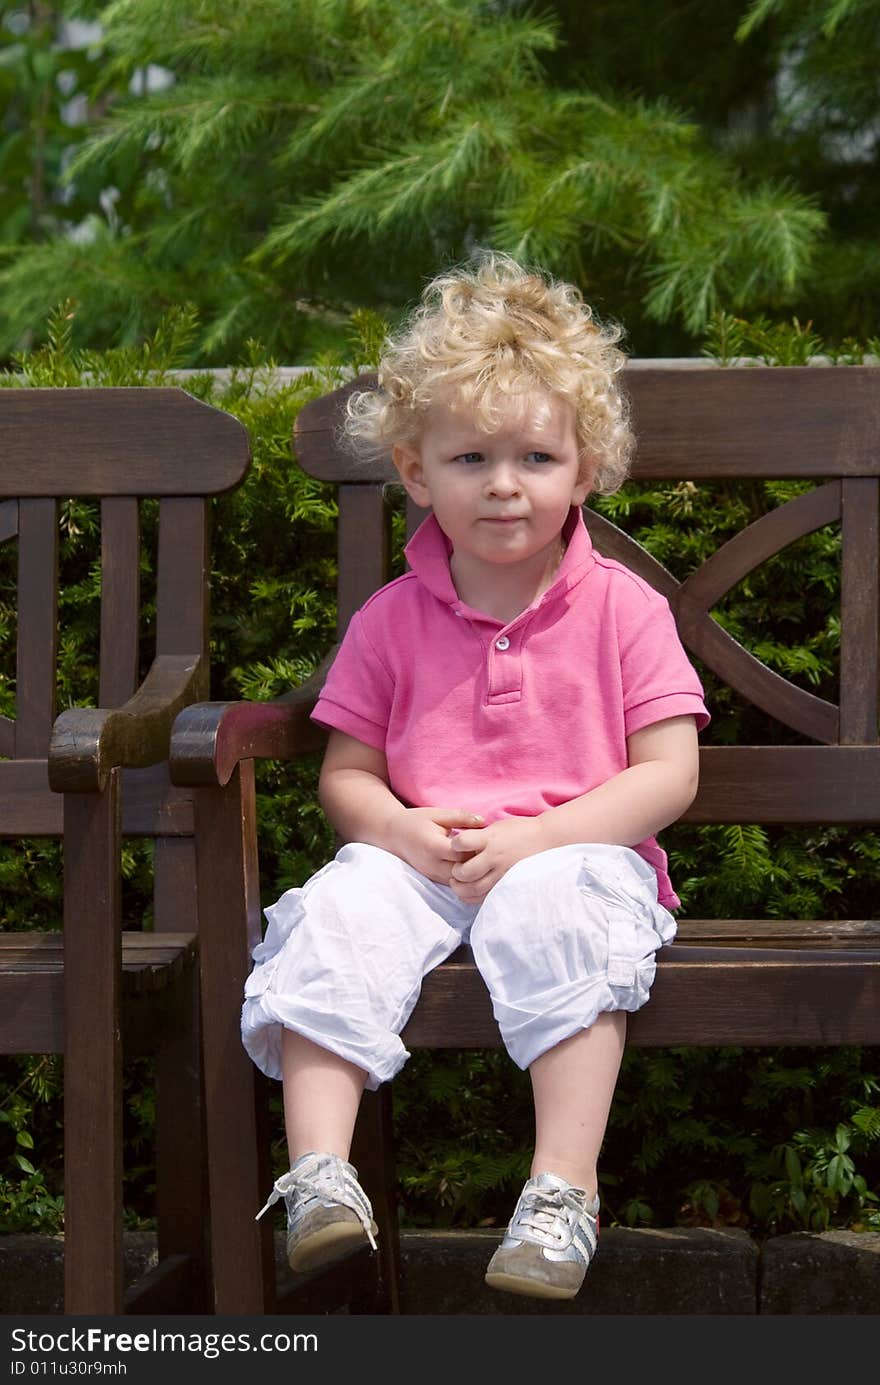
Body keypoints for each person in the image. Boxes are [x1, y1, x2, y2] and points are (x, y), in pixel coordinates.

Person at [242, 252, 709, 1301]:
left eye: (537, 455)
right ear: (417, 472)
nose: (505, 483)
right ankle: (320, 1173)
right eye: (470, 457)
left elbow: (667, 772)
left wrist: (541, 838)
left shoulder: (623, 609)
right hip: (428, 857)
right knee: (335, 908)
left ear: (583, 470)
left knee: (558, 909)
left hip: (572, 854)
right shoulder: (390, 619)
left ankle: (560, 1191)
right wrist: (400, 833)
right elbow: (347, 777)